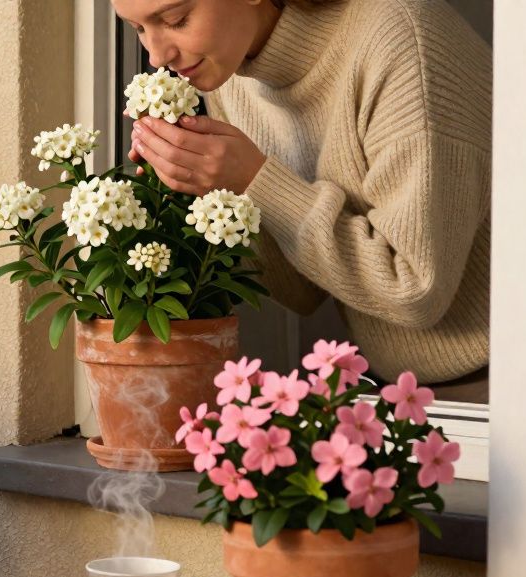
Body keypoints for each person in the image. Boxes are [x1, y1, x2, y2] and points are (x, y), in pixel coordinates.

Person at [115, 0, 490, 385]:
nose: (158, 55)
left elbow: (414, 288)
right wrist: (202, 187)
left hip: (513, 389)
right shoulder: (231, 72)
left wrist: (255, 180)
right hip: (401, 392)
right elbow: (301, 293)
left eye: (176, 20)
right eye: (138, 29)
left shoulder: (400, 40)